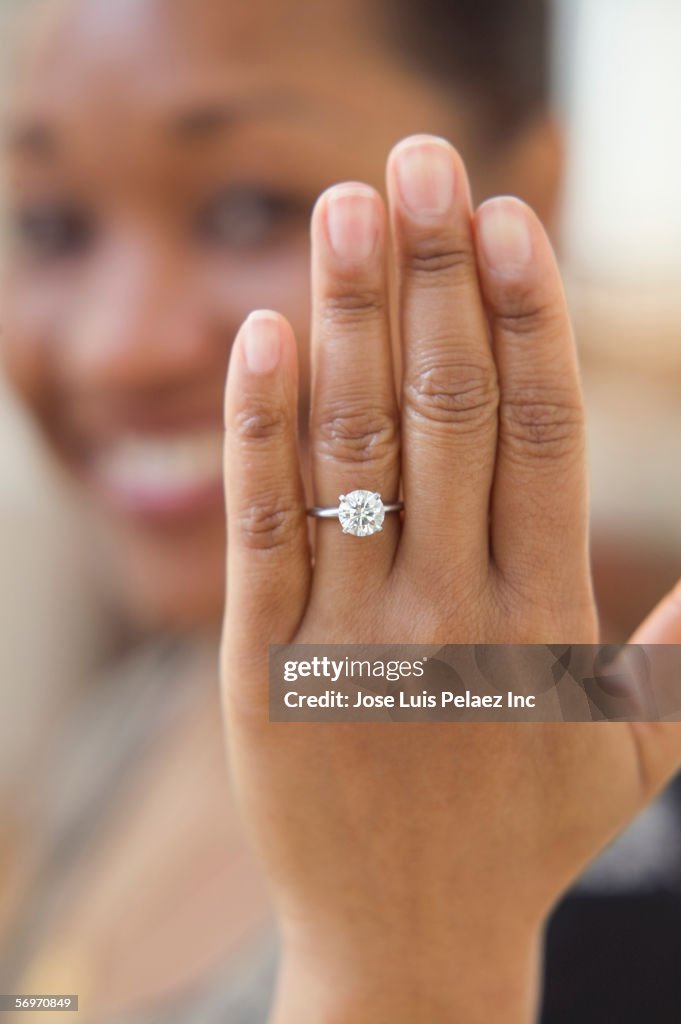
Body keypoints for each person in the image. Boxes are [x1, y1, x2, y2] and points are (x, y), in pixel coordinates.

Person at [1, 0, 680, 1020]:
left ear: (532, 194)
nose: (118, 346)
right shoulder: (134, 716)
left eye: (247, 207)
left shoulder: (623, 760)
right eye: (51, 225)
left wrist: (418, 956)